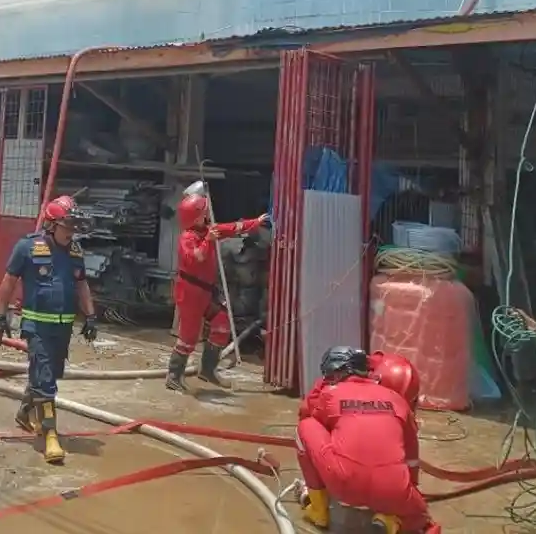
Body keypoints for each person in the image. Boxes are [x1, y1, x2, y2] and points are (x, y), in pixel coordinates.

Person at [0, 196, 98, 465]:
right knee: (47, 380)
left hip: (63, 328)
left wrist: (90, 316)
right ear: (52, 225)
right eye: (68, 225)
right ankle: (50, 435)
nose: (72, 230)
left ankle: (25, 412)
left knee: (46, 374)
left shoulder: (74, 252)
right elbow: (8, 281)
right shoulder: (28, 247)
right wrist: (0, 316)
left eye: (75, 225)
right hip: (37, 326)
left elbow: (82, 284)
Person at [296, 346, 438, 534]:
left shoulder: (330, 394)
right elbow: (411, 456)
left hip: (344, 483)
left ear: (337, 373)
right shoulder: (396, 399)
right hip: (393, 489)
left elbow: (307, 414)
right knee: (422, 519)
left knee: (306, 426)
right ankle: (391, 523)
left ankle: (319, 510)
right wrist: (409, 495)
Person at [165, 190, 268, 390]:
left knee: (222, 323)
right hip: (190, 292)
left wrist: (256, 221)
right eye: (204, 212)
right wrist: (208, 241)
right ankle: (174, 376)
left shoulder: (209, 231)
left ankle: (208, 370)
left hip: (206, 290)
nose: (208, 214)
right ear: (195, 216)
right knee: (189, 336)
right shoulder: (187, 238)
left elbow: (233, 228)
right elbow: (197, 258)